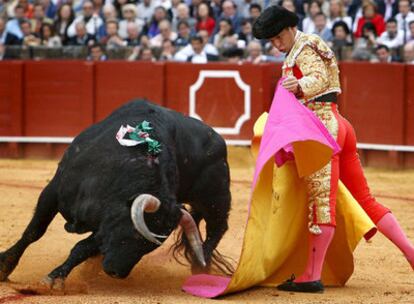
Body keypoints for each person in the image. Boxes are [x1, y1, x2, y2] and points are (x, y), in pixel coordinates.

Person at [252, 5, 414, 293]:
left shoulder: (305, 45)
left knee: (321, 203)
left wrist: (298, 84)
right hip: (338, 124)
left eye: (278, 37)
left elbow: (319, 79)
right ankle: (412, 253)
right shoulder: (300, 48)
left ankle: (312, 275)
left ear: (290, 28)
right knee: (364, 198)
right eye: (271, 41)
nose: (276, 44)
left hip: (322, 130)